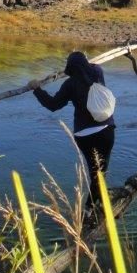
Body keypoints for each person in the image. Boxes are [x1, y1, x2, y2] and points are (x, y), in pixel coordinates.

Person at [28, 51, 115, 206]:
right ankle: (96, 207)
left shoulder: (70, 84)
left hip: (84, 135)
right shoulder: (97, 73)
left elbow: (53, 105)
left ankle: (92, 209)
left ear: (70, 67)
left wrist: (37, 89)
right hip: (106, 131)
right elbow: (93, 65)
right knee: (100, 173)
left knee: (95, 173)